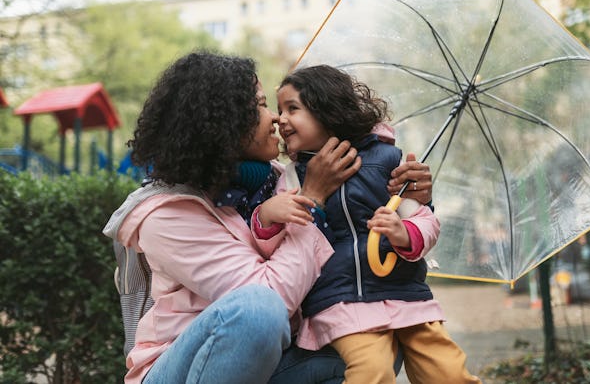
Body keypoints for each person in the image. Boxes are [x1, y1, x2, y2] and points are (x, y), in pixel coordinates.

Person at [102, 50, 435, 384]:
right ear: (224, 123)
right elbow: (271, 299)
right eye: (260, 106)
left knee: (370, 347)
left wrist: (407, 194)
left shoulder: (278, 179)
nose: (275, 119)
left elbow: (362, 224)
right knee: (256, 308)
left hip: (273, 356)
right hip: (182, 368)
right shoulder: (167, 214)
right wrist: (311, 200)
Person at [260, 64, 481, 384]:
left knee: (448, 372)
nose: (280, 119)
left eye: (292, 108)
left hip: (406, 294)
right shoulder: (292, 178)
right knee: (371, 371)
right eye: (279, 110)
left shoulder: (388, 160)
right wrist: (266, 217)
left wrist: (404, 232)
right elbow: (276, 242)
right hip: (341, 303)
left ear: (327, 109)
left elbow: (424, 219)